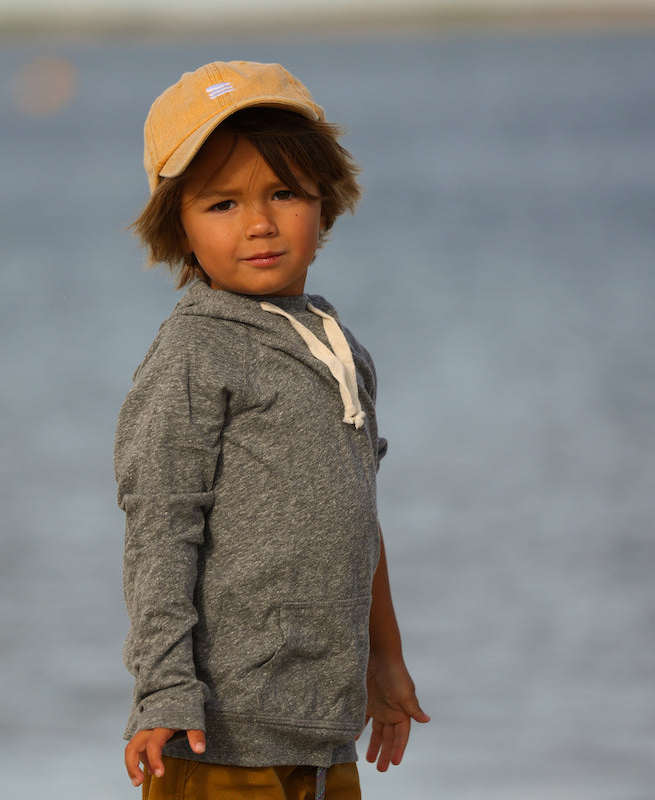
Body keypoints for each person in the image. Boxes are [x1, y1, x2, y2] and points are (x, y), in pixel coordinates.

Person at [114, 60, 429, 800]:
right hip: (214, 737)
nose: (259, 223)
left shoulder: (339, 348)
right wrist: (163, 689)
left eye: (284, 193)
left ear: (326, 205)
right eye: (222, 204)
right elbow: (160, 528)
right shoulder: (195, 350)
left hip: (323, 735)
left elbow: (359, 515)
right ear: (180, 229)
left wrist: (384, 661)